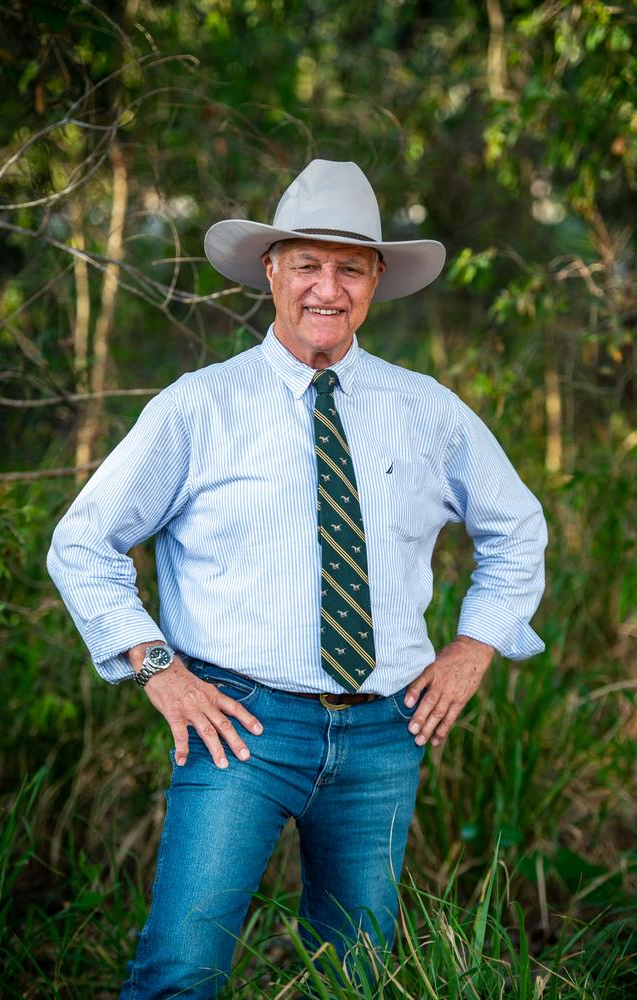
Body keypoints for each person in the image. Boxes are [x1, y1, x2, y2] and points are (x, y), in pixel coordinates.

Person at [47, 159, 547, 999]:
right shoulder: (199, 406)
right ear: (271, 271)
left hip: (387, 734)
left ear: (376, 280)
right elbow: (84, 541)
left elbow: (516, 528)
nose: (328, 286)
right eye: (308, 264)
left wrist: (474, 647)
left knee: (353, 977)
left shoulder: (427, 408)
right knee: (181, 969)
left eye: (349, 267)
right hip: (237, 725)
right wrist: (159, 670)